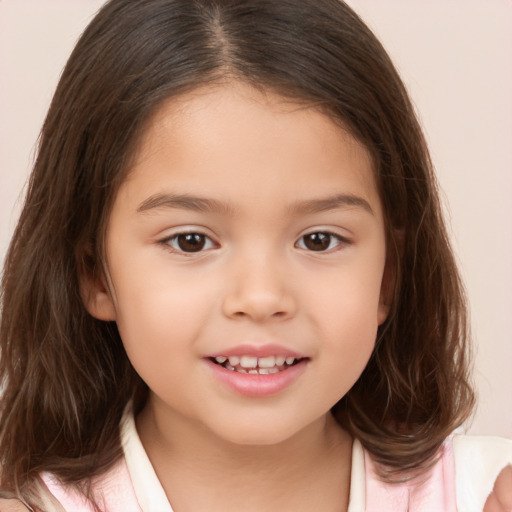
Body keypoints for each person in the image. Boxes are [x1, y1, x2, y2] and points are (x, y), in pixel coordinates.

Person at [0, 0, 510, 511]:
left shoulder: (486, 492)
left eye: (319, 240)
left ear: (388, 275)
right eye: (190, 241)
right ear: (96, 275)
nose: (262, 298)